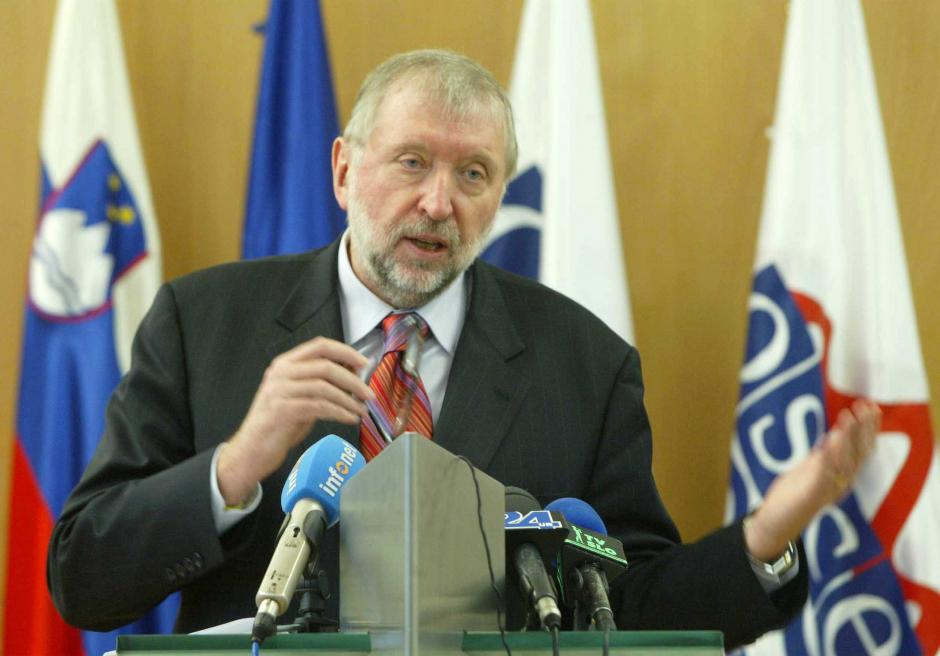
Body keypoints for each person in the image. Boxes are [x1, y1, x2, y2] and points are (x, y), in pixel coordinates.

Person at [47, 49, 879, 649]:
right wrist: (235, 467)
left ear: (499, 195)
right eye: (411, 163)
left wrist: (763, 538)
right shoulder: (202, 324)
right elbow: (83, 578)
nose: (439, 202)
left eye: (473, 174)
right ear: (343, 171)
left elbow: (627, 609)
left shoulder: (585, 365)